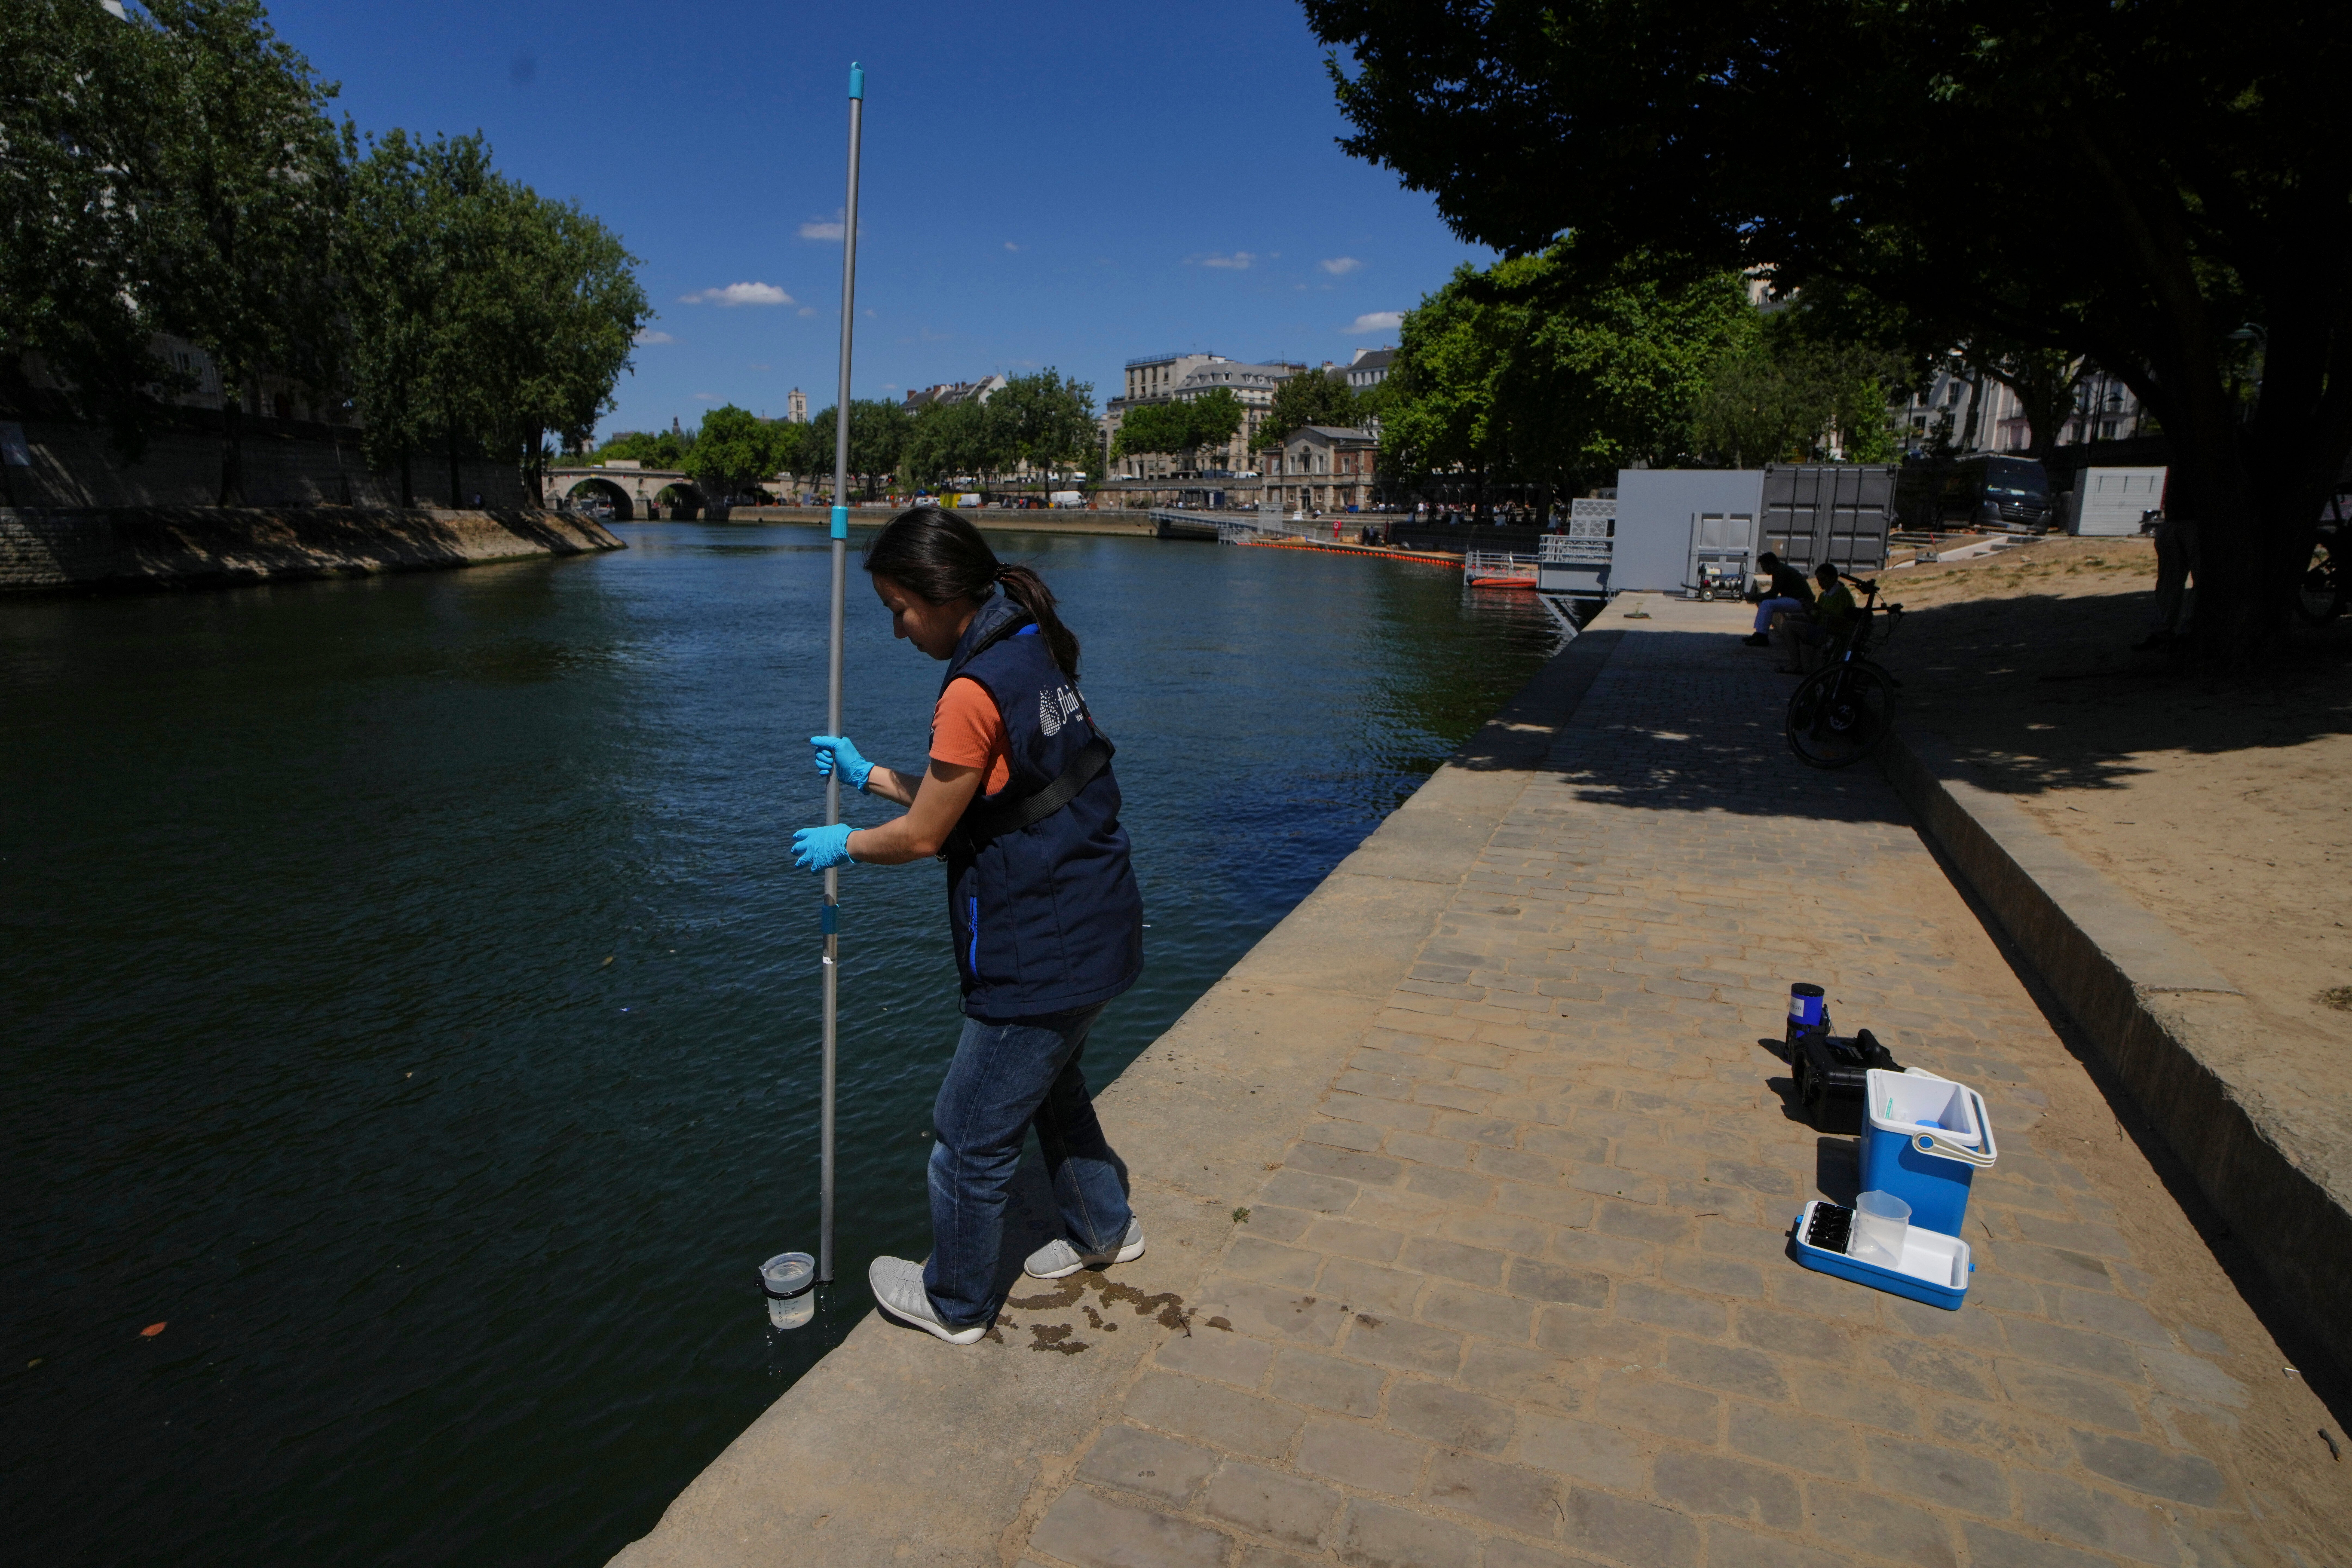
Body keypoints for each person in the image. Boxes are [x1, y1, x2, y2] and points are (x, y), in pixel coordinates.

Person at [789, 507, 1146, 1345]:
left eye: (899, 610)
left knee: (968, 1134)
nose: (896, 629)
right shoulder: (1029, 644)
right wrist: (869, 773)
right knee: (1053, 1088)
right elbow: (988, 796)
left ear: (944, 595)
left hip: (1041, 942)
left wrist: (846, 843)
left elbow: (925, 836)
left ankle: (956, 1302)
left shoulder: (970, 688)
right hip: (1100, 920)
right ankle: (1104, 1230)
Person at [1743, 551, 1816, 645]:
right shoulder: (1780, 569)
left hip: (1802, 602)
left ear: (1771, 564)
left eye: (1764, 567)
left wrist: (1754, 597)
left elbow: (1772, 595)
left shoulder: (1779, 572)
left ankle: (1762, 637)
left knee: (1767, 604)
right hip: (1796, 600)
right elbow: (1773, 594)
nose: (1763, 570)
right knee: (1764, 603)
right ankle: (1760, 633)